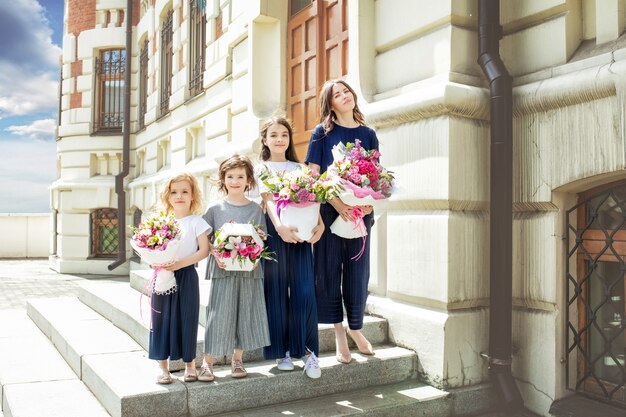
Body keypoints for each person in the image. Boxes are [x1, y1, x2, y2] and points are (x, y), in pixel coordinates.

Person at [305, 79, 378, 364]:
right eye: (338, 94)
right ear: (330, 103)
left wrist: (370, 199)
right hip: (330, 214)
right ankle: (339, 334)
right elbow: (313, 177)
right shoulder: (321, 134)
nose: (345, 95)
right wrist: (337, 202)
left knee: (358, 273)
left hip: (360, 214)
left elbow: (374, 174)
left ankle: (356, 328)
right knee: (329, 273)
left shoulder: (368, 133)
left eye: (347, 91)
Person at [255, 116, 324, 379]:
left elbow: (313, 198)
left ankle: (310, 353)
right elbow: (269, 200)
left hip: (302, 236)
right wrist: (280, 227)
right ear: (265, 139)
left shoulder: (300, 168)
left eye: (284, 134)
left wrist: (320, 225)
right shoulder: (261, 168)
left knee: (305, 292)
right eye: (273, 135)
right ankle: (282, 352)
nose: (279, 139)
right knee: (276, 293)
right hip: (275, 234)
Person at [199, 154, 271, 381]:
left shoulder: (255, 209)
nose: (235, 180)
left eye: (240, 176)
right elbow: (206, 239)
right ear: (223, 179)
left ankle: (237, 359)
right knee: (219, 314)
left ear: (249, 179)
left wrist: (256, 259)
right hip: (223, 270)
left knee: (246, 313)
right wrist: (215, 254)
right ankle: (207, 361)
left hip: (249, 271)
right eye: (230, 176)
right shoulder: (215, 209)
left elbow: (261, 239)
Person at [150, 172, 211, 384]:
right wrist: (155, 260)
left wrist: (179, 264)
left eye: (185, 191)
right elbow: (150, 248)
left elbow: (204, 250)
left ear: (193, 195)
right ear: (167, 196)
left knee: (188, 318)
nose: (179, 196)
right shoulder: (160, 222)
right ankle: (163, 367)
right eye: (174, 192)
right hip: (163, 276)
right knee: (161, 319)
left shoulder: (197, 222)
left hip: (187, 276)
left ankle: (190, 365)